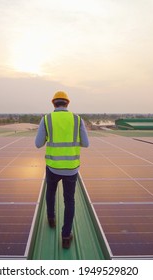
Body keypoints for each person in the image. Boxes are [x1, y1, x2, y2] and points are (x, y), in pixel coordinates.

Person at [35, 90, 89, 249]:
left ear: (53, 103)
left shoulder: (46, 119)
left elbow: (38, 144)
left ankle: (51, 219)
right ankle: (66, 236)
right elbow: (86, 144)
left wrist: (49, 137)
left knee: (50, 193)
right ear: (67, 103)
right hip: (71, 168)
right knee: (69, 200)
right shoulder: (77, 120)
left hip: (52, 167)